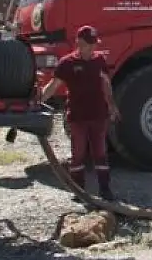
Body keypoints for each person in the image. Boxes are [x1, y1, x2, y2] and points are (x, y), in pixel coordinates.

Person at [38, 25, 120, 202]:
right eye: (88, 44)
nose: (91, 48)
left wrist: (112, 105)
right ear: (79, 43)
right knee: (78, 154)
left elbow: (106, 83)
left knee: (100, 153)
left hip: (98, 115)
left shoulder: (99, 60)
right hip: (77, 117)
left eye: (93, 44)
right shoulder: (67, 63)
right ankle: (79, 191)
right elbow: (53, 86)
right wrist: (38, 102)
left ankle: (105, 190)